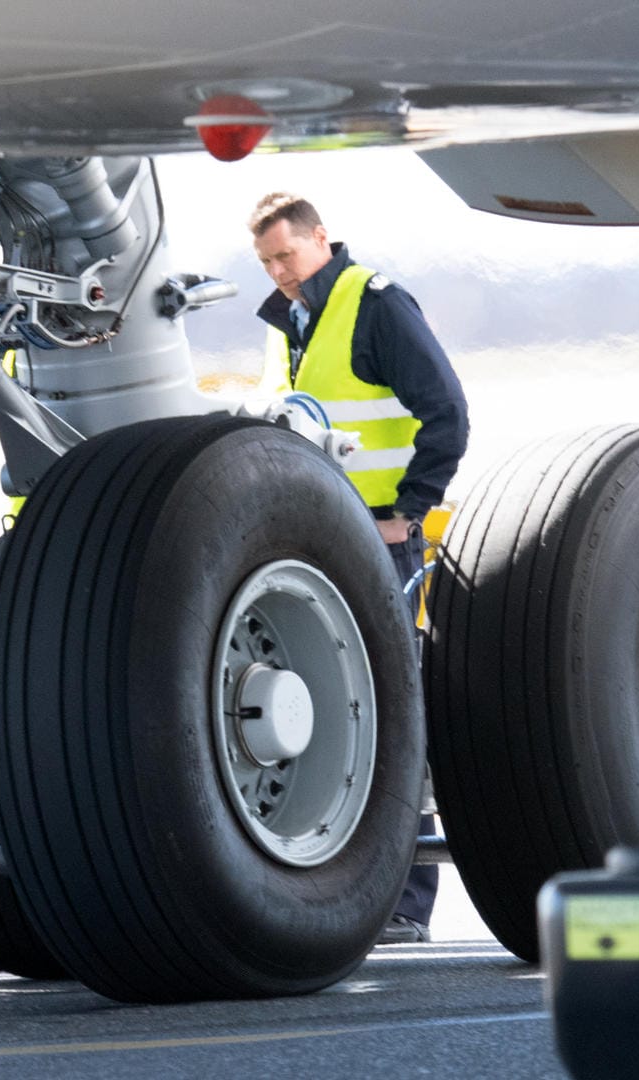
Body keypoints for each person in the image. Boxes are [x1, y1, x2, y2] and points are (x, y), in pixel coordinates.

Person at [248, 192, 470, 946]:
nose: (279, 272)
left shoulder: (372, 304)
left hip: (383, 544)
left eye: (288, 255)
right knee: (349, 719)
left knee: (395, 715)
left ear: (321, 238)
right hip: (324, 545)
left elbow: (447, 410)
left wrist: (411, 508)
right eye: (268, 261)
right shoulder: (295, 323)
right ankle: (364, 894)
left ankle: (407, 901)